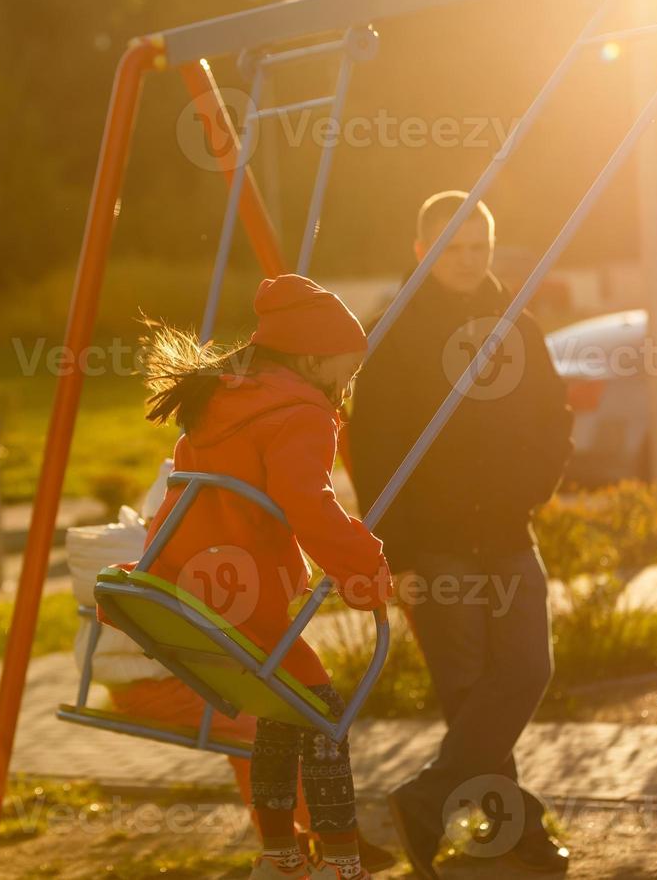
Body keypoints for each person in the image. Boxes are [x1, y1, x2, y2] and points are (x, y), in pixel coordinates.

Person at [133, 274, 395, 880]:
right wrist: (367, 567)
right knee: (325, 711)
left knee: (280, 709)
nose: (345, 386)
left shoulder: (221, 396)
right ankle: (341, 861)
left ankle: (279, 856)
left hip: (187, 582)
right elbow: (309, 505)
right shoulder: (302, 412)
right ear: (311, 358)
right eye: (344, 371)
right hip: (245, 593)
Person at [347, 191, 574, 879]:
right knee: (471, 693)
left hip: (507, 533)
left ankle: (425, 800)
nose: (469, 262)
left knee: (528, 669)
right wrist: (399, 556)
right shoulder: (394, 336)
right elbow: (375, 451)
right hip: (435, 545)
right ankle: (517, 835)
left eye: (479, 248)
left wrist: (531, 489)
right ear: (423, 253)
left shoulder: (518, 328)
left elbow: (553, 418)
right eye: (453, 249)